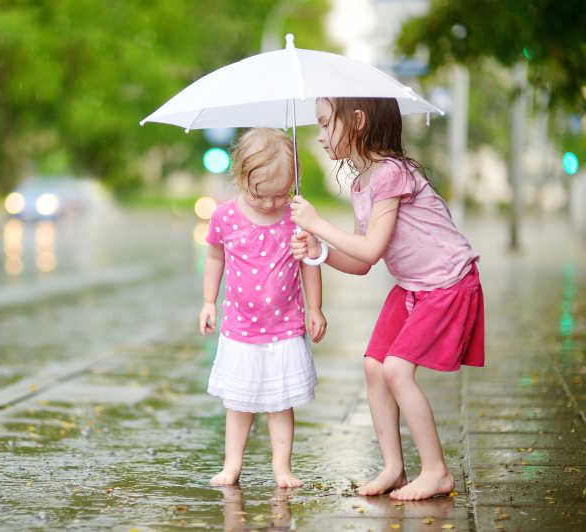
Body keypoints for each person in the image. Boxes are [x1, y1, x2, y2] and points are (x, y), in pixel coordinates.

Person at [289, 97, 484, 501]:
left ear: (357, 121)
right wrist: (317, 252)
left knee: (396, 370)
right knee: (374, 366)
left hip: (447, 283)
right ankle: (394, 468)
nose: (321, 137)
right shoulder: (363, 184)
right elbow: (361, 262)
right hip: (413, 285)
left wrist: (318, 224)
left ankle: (436, 471)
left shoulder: (392, 172)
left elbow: (372, 248)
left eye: (326, 125)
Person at [200, 128, 327, 488]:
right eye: (262, 196)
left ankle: (282, 467)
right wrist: (209, 301)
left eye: (281, 194)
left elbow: (309, 264)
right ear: (241, 178)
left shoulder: (295, 218)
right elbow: (214, 256)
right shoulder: (225, 217)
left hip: (285, 326)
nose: (273, 203)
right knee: (239, 403)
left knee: (280, 402)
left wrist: (314, 308)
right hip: (240, 328)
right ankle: (232, 464)